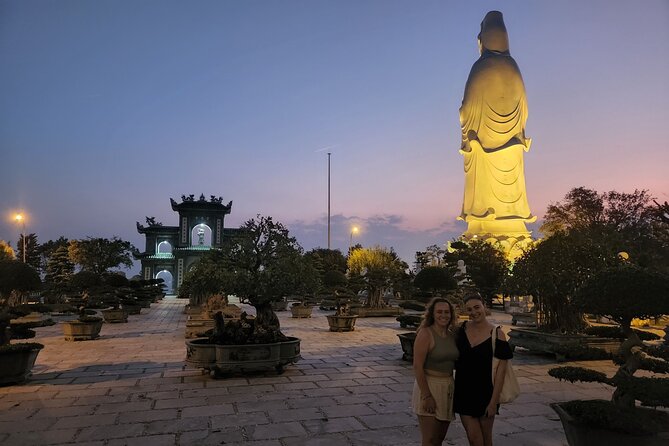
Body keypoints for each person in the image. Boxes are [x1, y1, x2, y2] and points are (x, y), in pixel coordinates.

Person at [454, 293, 513, 446]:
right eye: (469, 309)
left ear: (484, 306)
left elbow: (501, 372)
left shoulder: (497, 334)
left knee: (486, 439)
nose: (474, 312)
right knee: (474, 439)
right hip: (463, 392)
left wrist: (493, 402)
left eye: (477, 307)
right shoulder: (461, 330)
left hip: (486, 394)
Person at [412, 297, 459, 445]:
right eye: (439, 312)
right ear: (432, 314)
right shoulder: (425, 333)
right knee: (429, 439)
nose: (443, 315)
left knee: (439, 439)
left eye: (446, 312)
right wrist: (427, 396)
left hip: (448, 387)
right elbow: (417, 366)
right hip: (429, 386)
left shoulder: (453, 335)